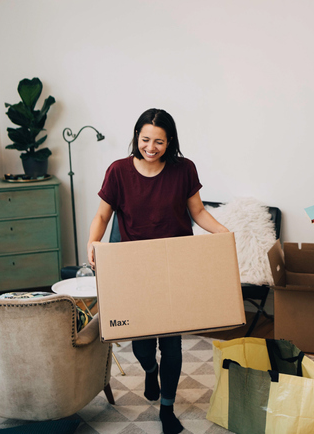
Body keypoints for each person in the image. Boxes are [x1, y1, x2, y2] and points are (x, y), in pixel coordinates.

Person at [87, 108, 228, 434]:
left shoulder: (183, 170)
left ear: (170, 142)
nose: (151, 147)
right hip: (133, 268)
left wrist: (221, 231)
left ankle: (167, 409)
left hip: (175, 265)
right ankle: (151, 370)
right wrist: (93, 241)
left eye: (159, 142)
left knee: (173, 344)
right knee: (141, 346)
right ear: (137, 137)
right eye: (145, 139)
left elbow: (198, 211)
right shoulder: (119, 171)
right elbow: (101, 215)